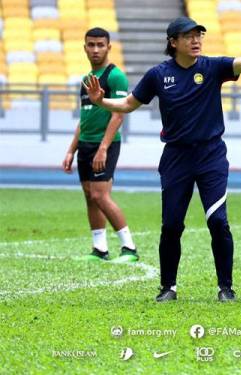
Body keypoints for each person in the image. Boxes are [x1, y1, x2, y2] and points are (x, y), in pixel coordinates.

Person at [83, 17, 241, 302]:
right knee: (171, 225)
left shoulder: (213, 67)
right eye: (189, 36)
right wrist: (101, 101)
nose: (196, 41)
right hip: (176, 158)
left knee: (218, 222)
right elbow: (127, 104)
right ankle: (168, 287)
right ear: (173, 42)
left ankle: (226, 288)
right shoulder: (158, 75)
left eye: (199, 36)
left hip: (211, 156)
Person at [62, 27, 138, 263]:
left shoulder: (116, 76)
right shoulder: (86, 80)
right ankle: (100, 249)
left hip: (104, 145)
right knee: (90, 196)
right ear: (84, 47)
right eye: (91, 45)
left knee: (100, 195)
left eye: (100, 45)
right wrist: (71, 149)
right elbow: (84, 118)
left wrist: (103, 147)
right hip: (85, 145)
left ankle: (129, 249)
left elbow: (118, 114)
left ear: (108, 47)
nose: (95, 49)